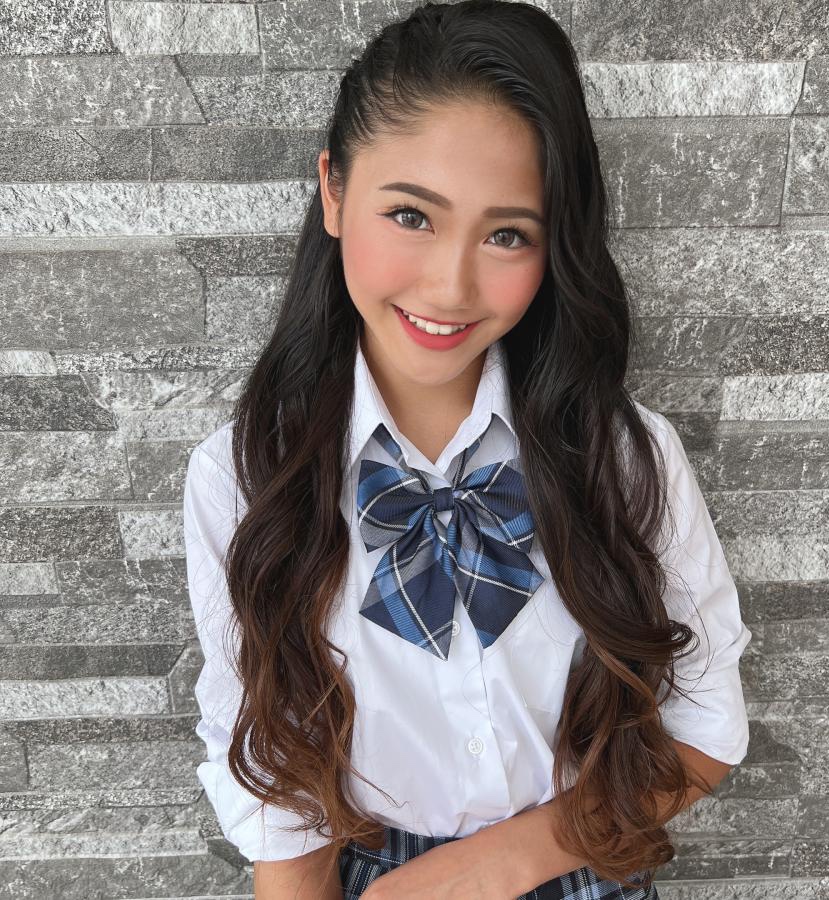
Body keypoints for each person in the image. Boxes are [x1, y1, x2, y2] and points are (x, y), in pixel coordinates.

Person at [182, 2, 754, 898]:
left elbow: (706, 728)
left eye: (506, 234)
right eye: (411, 215)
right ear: (334, 191)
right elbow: (280, 795)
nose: (450, 287)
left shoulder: (622, 458)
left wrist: (495, 866)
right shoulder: (243, 476)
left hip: (586, 858)